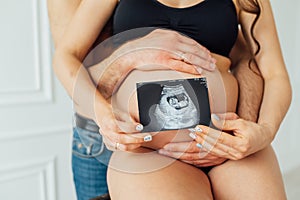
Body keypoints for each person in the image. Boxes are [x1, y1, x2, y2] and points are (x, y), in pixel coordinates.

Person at [48, 0, 291, 199]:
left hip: (228, 144)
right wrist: (102, 113)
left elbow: (275, 74)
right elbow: (66, 56)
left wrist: (264, 132)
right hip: (148, 151)